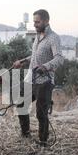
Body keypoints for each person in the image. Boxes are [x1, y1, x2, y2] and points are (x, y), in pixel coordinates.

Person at [13, 9, 64, 147]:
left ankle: (43, 142)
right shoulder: (37, 36)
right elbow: (35, 56)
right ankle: (25, 134)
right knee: (21, 105)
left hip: (44, 82)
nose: (35, 24)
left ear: (46, 21)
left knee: (41, 113)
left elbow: (59, 58)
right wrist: (23, 61)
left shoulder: (53, 38)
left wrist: (45, 66)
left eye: (37, 21)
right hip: (30, 79)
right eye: (34, 21)